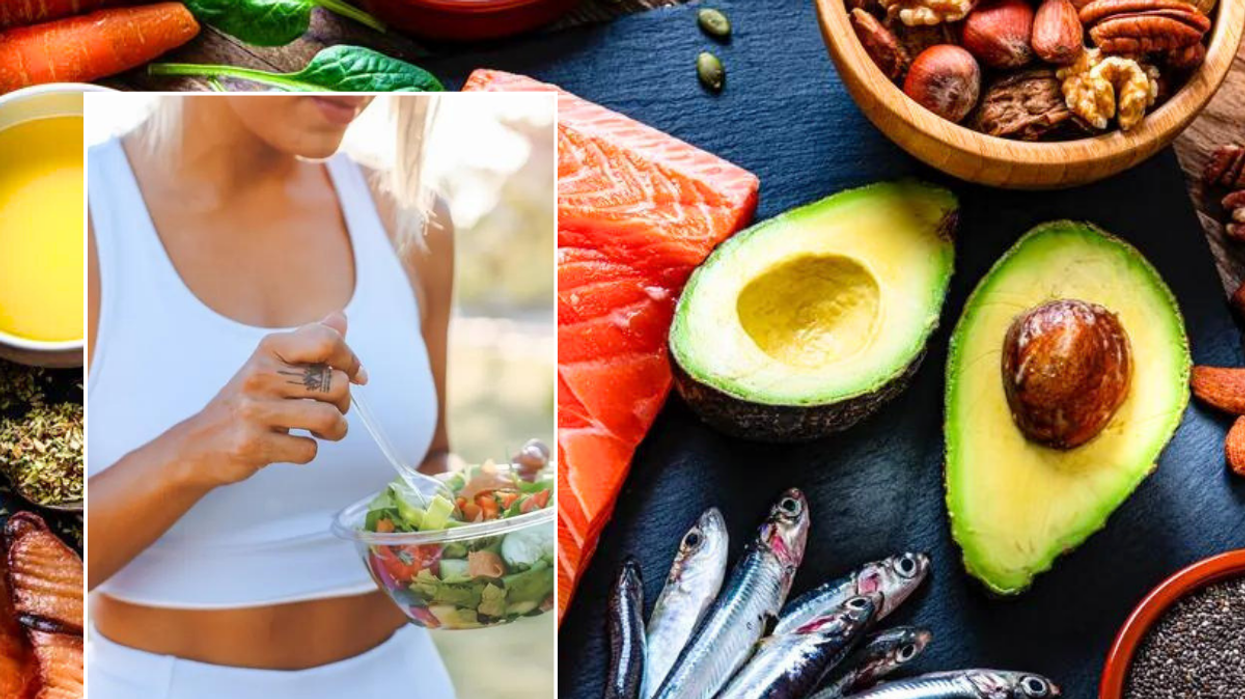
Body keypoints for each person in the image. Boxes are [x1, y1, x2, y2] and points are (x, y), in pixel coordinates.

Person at [85, 95, 456, 698]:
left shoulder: (408, 211)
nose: (359, 90)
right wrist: (194, 450)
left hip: (404, 676)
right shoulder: (74, 212)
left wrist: (479, 530)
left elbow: (434, 458)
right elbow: (24, 565)